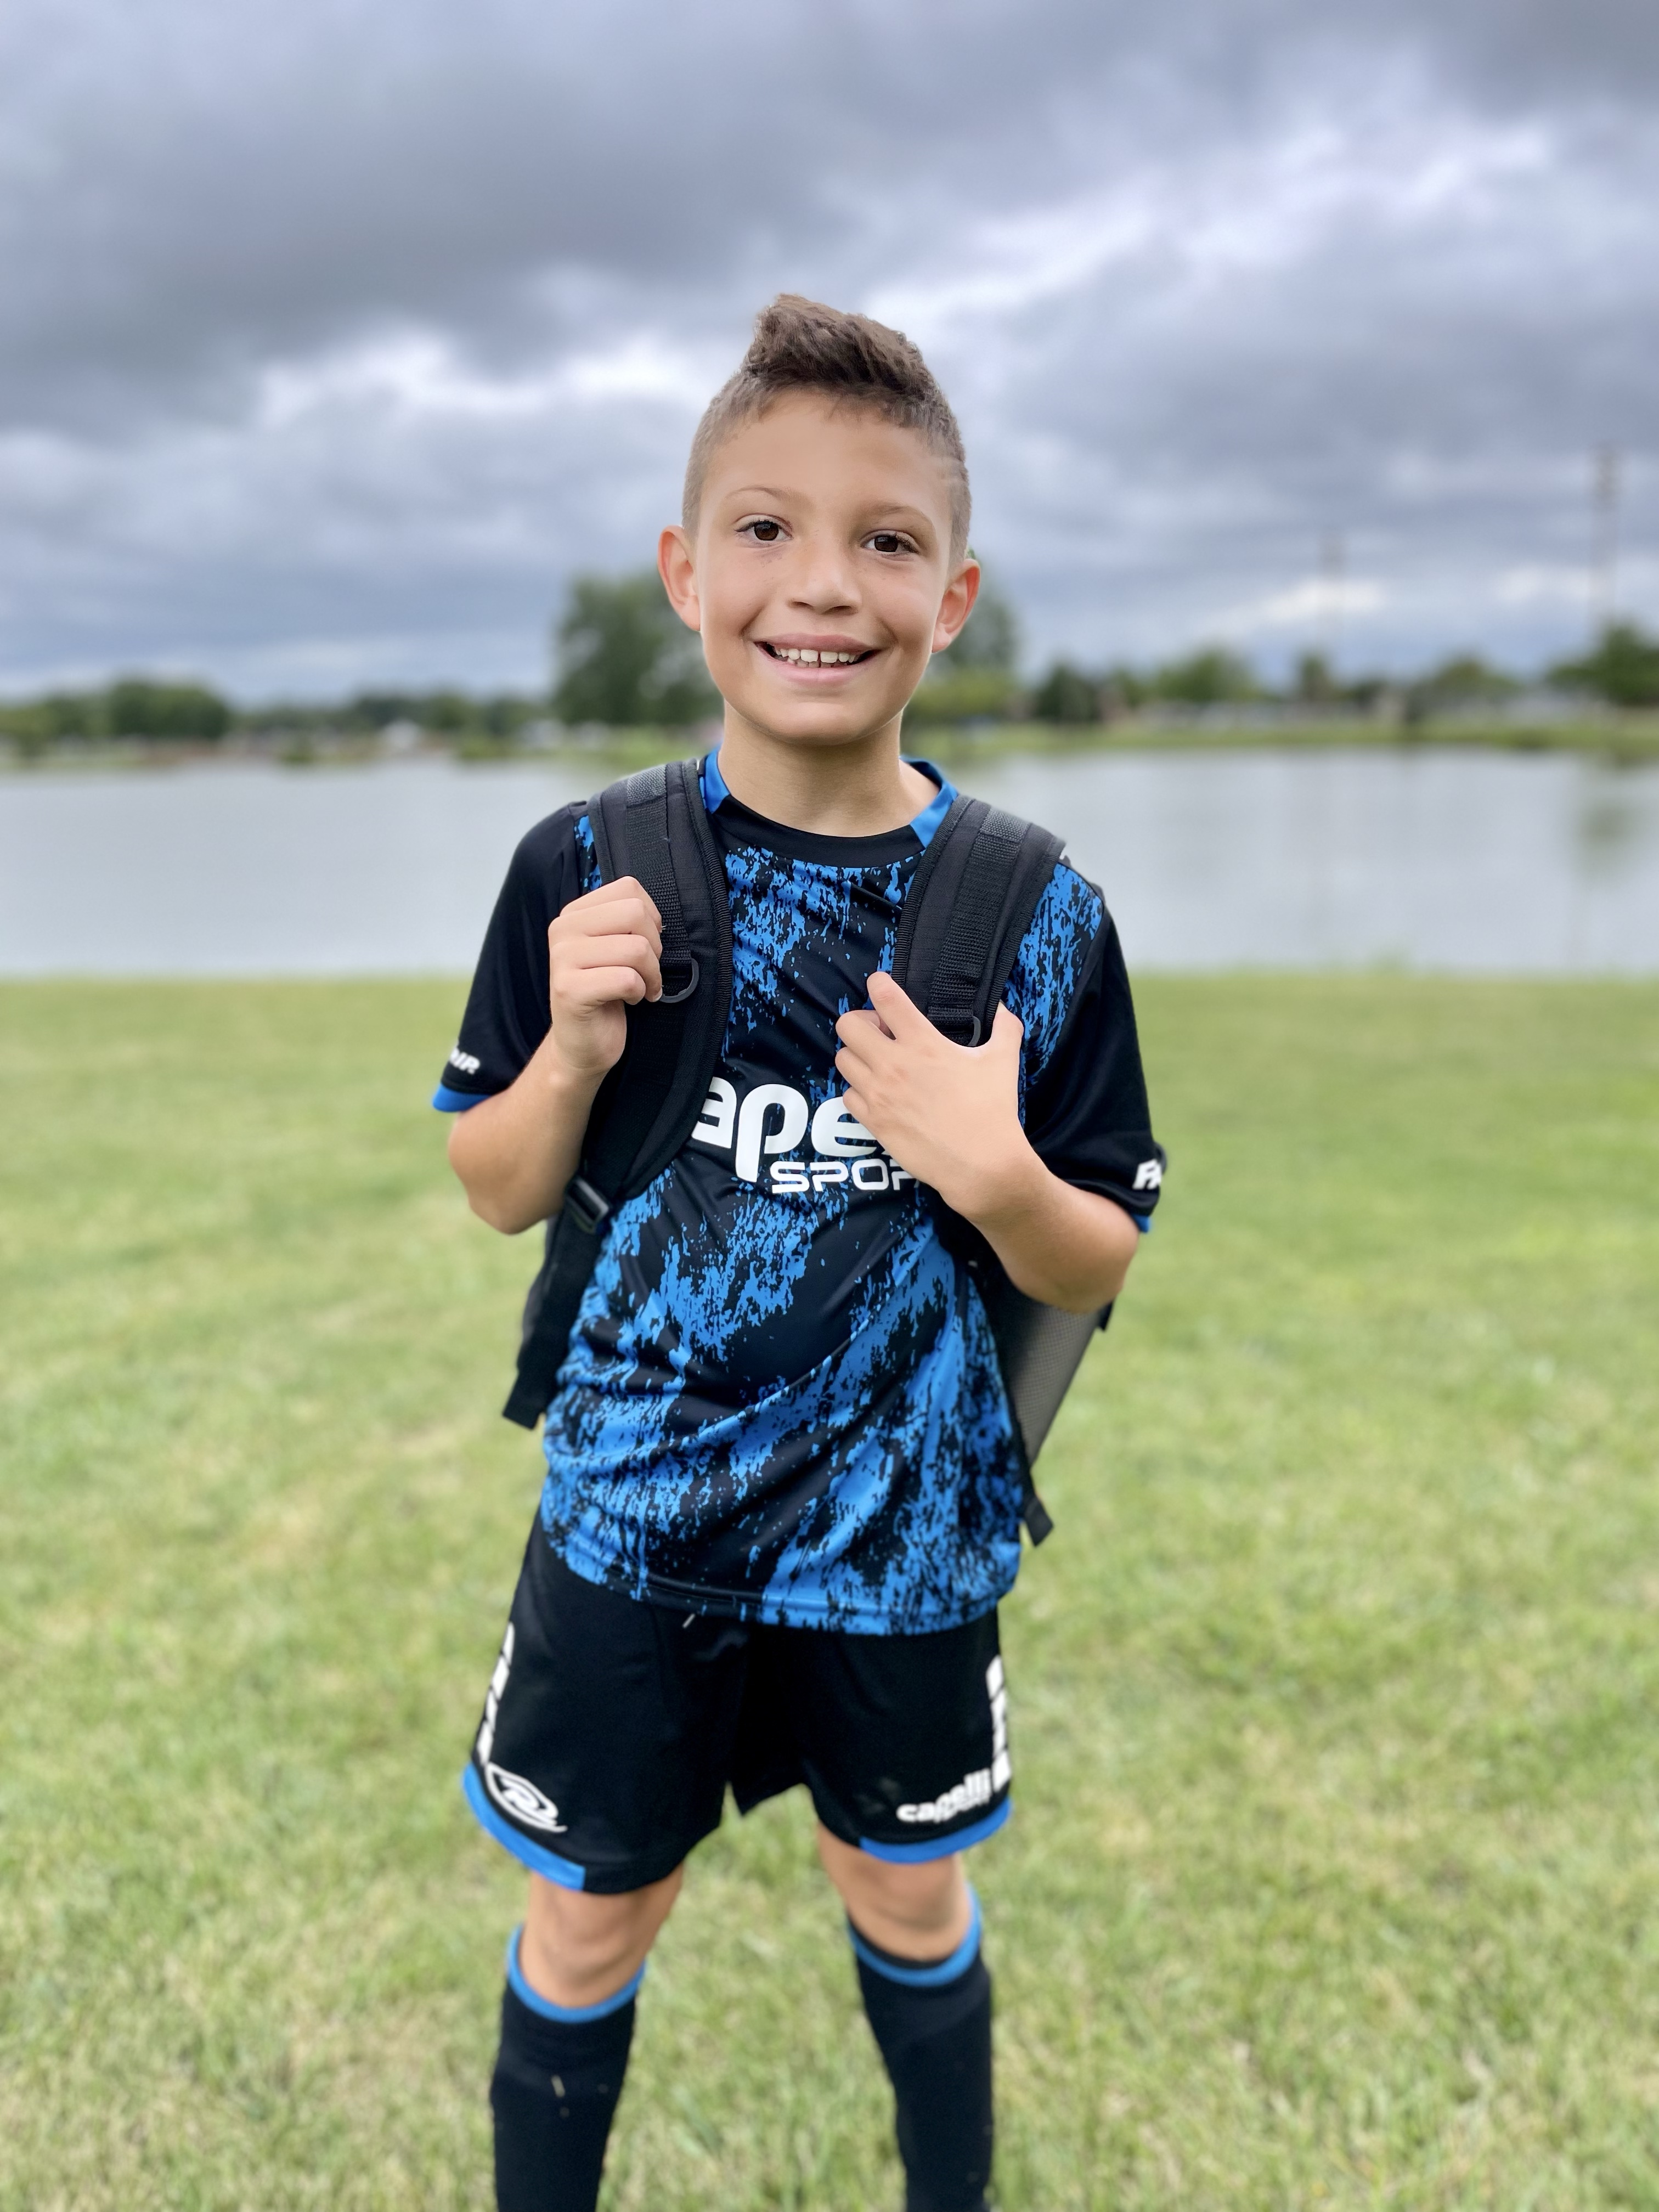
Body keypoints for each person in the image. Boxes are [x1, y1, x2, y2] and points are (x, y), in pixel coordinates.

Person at [433, 294, 1164, 2212]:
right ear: (687, 573)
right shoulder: (583, 867)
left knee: (906, 1892)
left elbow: (1095, 1255)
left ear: (956, 595)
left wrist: (993, 1170)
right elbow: (495, 1185)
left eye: (886, 539)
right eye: (766, 528)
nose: (823, 583)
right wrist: (572, 1051)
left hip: (904, 1534)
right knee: (592, 1918)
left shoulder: (1036, 908)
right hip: (633, 1522)